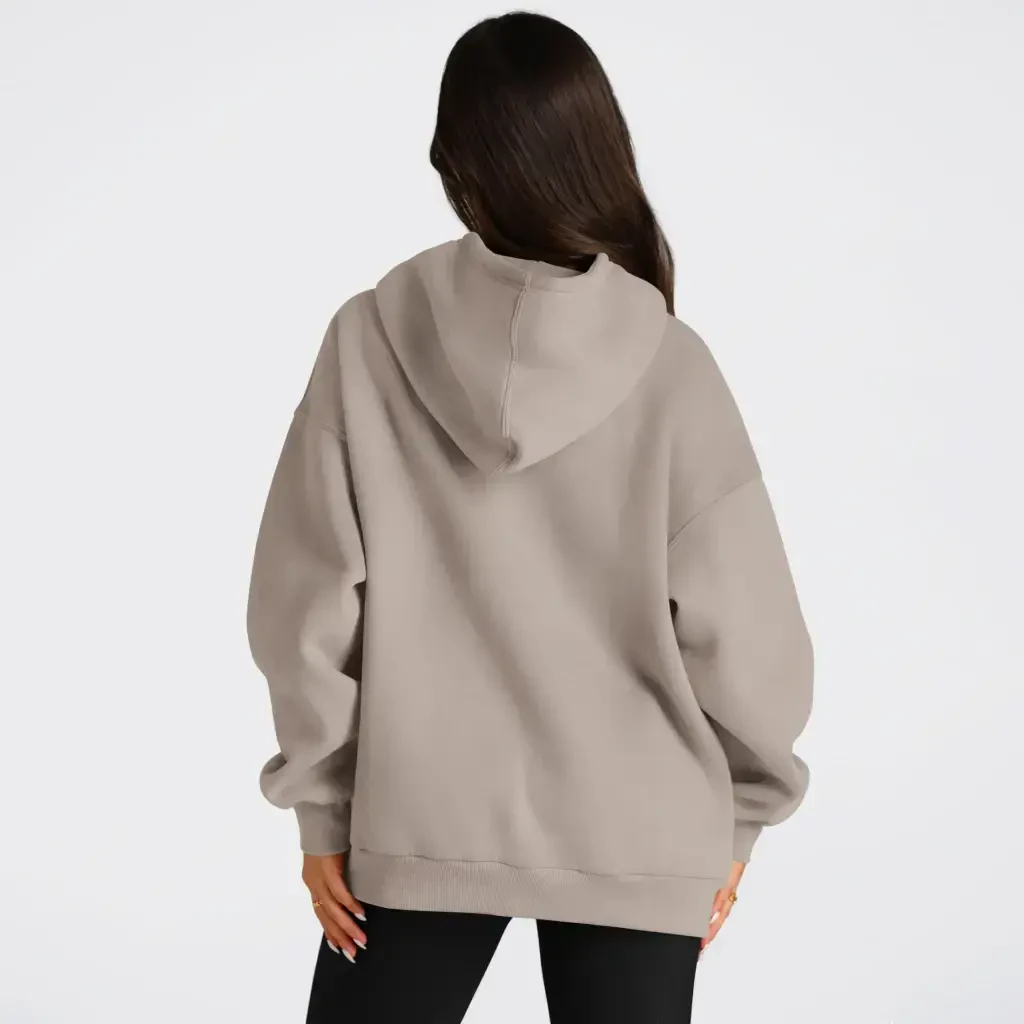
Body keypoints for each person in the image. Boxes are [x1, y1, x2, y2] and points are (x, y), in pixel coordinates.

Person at [247, 11, 813, 1024]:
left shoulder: (367, 340)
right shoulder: (672, 366)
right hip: (638, 828)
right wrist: (740, 820)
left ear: (452, 160)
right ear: (599, 153)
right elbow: (750, 632)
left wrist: (322, 806)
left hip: (419, 815)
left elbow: (303, 604)